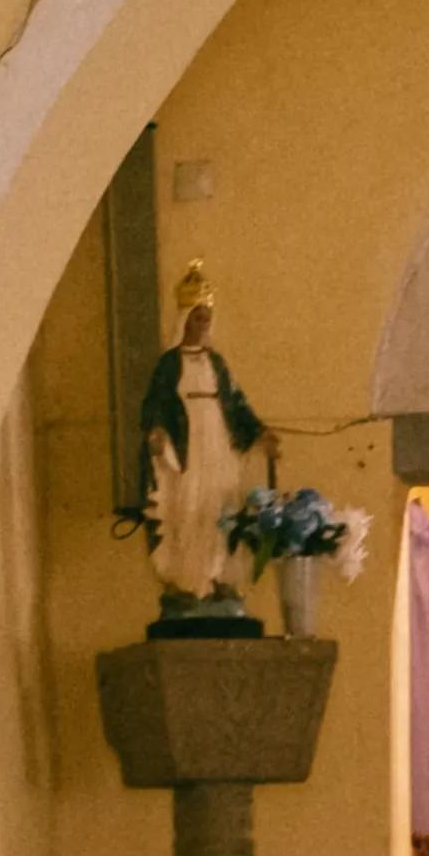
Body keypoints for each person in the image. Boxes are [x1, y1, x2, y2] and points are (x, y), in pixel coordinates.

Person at [132, 266, 266, 627]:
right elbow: (155, 405)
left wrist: (259, 433)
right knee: (188, 507)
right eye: (198, 318)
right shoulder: (168, 364)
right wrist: (158, 432)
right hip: (186, 443)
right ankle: (189, 582)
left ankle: (219, 577)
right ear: (185, 321)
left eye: (207, 318)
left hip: (218, 441)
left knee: (220, 508)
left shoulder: (217, 364)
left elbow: (236, 403)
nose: (204, 324)